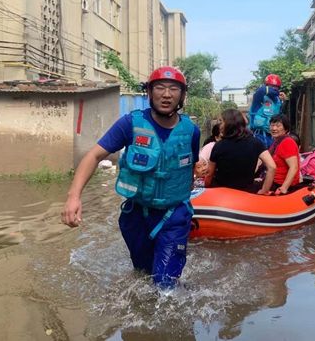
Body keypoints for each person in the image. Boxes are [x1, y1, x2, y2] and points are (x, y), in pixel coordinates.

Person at [61, 66, 204, 288]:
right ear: (149, 92)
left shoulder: (192, 131)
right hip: (137, 215)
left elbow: (190, 168)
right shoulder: (130, 124)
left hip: (174, 216)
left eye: (173, 89)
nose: (166, 94)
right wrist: (74, 196)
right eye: (160, 88)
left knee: (165, 284)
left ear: (182, 95)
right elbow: (94, 156)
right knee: (142, 274)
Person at [205, 108, 276, 194]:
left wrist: (205, 187)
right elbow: (272, 167)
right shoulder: (255, 142)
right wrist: (265, 190)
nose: (220, 125)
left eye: (221, 122)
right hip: (247, 191)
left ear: (229, 124)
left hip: (223, 194)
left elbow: (209, 174)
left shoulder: (219, 146)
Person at [248, 74, 287, 148]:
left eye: (276, 87)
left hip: (273, 136)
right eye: (271, 86)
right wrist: (277, 92)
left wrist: (284, 101)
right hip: (259, 135)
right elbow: (262, 90)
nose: (274, 89)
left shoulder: (278, 100)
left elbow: (280, 116)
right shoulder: (259, 96)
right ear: (266, 85)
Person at [268, 114, 301, 195]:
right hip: (273, 181)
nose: (274, 128)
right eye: (272, 125)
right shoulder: (276, 142)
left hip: (281, 185)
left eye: (278, 126)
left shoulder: (287, 142)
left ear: (285, 129)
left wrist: (284, 188)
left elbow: (294, 167)